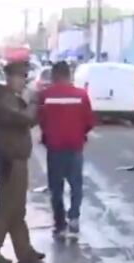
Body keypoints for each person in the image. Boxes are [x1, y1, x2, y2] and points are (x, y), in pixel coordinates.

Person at [0, 59, 45, 263]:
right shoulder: (3, 101)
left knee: (17, 209)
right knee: (6, 209)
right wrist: (33, 102)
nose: (23, 82)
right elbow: (27, 119)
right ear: (10, 77)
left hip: (17, 160)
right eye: (20, 77)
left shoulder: (9, 99)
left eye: (25, 78)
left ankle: (24, 251)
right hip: (10, 161)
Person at [37, 61, 95, 237]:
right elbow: (89, 122)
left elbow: (41, 120)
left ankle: (60, 224)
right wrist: (79, 133)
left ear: (54, 76)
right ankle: (74, 217)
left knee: (56, 187)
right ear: (69, 75)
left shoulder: (45, 95)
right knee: (76, 184)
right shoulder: (81, 95)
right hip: (75, 147)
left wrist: (48, 134)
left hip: (55, 148)